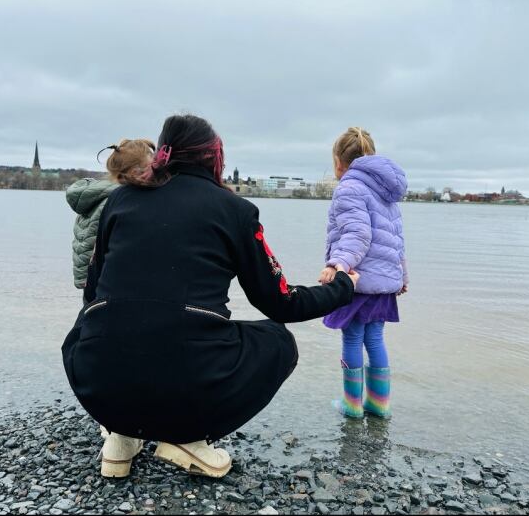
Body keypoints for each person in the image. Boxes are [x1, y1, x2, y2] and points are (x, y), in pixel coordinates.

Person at [62, 115, 358, 479]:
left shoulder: (121, 200)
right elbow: (281, 302)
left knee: (99, 324)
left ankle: (121, 437)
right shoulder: (234, 210)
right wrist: (343, 286)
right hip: (186, 383)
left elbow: (91, 292)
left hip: (97, 383)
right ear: (212, 157)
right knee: (278, 340)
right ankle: (189, 437)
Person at [318, 127, 408, 419]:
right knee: (375, 339)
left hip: (357, 280)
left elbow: (358, 234)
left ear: (338, 162)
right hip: (384, 283)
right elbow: (396, 238)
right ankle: (379, 404)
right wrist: (401, 275)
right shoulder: (386, 193)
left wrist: (338, 265)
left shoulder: (349, 187)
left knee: (353, 339)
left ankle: (352, 405)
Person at [65, 139, 156, 291]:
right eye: (151, 168)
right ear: (135, 172)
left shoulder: (96, 196)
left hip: (88, 279)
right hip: (100, 283)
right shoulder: (116, 203)